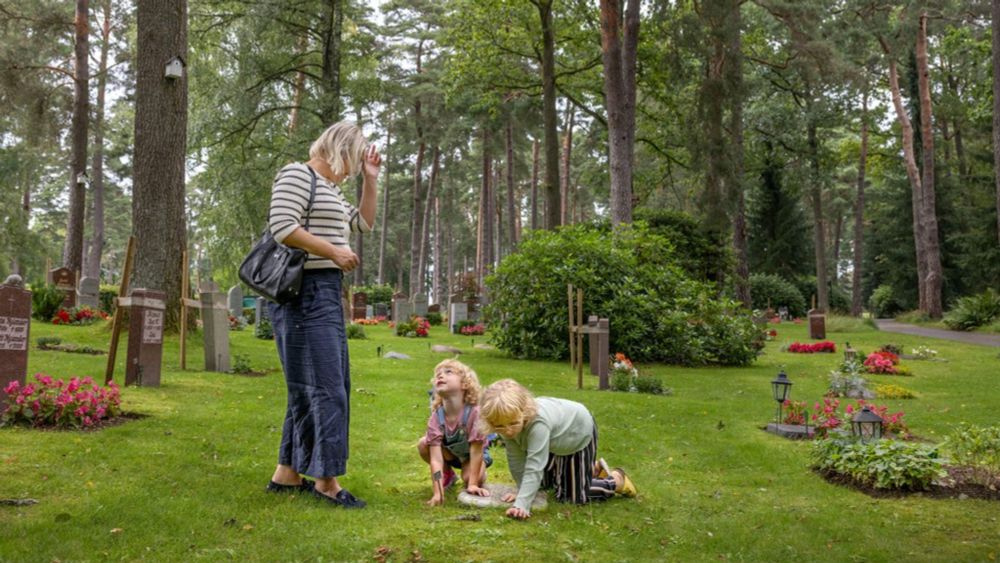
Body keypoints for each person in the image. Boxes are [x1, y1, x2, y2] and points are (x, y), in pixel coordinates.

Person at [263, 121, 380, 509]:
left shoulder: (329, 188)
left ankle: (287, 473)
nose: (351, 169)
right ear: (340, 149)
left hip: (324, 292)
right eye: (354, 159)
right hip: (303, 294)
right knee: (327, 389)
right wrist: (332, 251)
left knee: (312, 385)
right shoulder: (298, 174)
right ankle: (326, 481)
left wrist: (371, 179)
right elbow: (282, 227)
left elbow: (361, 223)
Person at [479, 379, 637, 520]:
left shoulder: (538, 424)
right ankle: (591, 469)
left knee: (570, 497)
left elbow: (535, 465)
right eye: (499, 426)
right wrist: (522, 492)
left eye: (513, 424)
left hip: (576, 434)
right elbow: (516, 460)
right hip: (553, 443)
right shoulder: (508, 421)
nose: (507, 431)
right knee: (543, 485)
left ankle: (615, 481)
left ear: (524, 411)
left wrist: (521, 505)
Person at [417, 359, 492, 506]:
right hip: (450, 455)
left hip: (474, 455)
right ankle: (448, 475)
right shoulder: (436, 417)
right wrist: (438, 492)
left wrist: (472, 484)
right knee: (422, 443)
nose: (440, 376)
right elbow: (436, 459)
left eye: (448, 372)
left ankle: (475, 474)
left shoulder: (474, 413)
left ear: (465, 384)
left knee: (469, 478)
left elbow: (476, 451)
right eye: (438, 374)